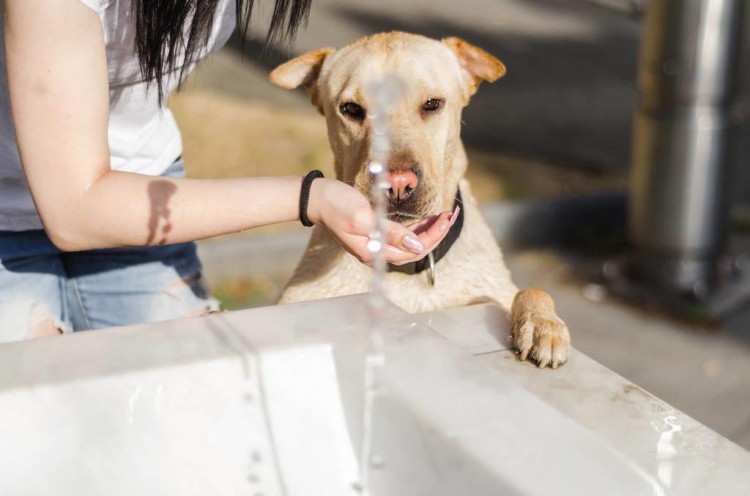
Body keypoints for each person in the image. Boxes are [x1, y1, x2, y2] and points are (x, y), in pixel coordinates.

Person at [0, 0, 453, 343]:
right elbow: (76, 211)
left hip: (144, 189)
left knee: (186, 408)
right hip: (19, 213)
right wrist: (311, 197)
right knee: (36, 423)